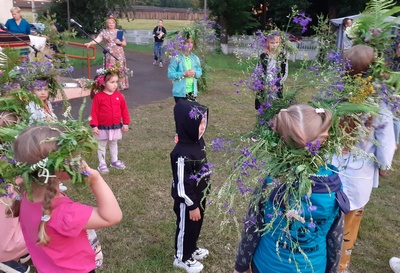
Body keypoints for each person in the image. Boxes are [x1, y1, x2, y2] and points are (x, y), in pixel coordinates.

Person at [233, 105, 349, 273]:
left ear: (280, 142)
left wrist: (240, 266)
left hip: (267, 265)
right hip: (313, 267)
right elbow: (335, 239)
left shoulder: (271, 180)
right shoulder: (333, 186)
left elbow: (252, 228)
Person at [8, 124, 122, 273]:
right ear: (61, 167)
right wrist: (96, 180)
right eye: (73, 155)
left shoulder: (23, 199)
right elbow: (112, 217)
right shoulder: (65, 214)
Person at [330, 44, 396, 273]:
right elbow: (386, 140)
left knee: (328, 221)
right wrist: (384, 166)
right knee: (349, 224)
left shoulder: (335, 94)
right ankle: (341, 266)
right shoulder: (380, 103)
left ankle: (322, 261)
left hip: (332, 171)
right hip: (360, 175)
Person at [171, 100, 211, 273]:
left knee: (196, 225)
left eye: (204, 122)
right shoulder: (181, 154)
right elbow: (181, 184)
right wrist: (192, 205)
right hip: (187, 201)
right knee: (185, 227)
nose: (202, 127)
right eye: (198, 123)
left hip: (199, 197)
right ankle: (181, 257)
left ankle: (192, 248)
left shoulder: (197, 142)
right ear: (187, 125)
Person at [0, 112, 30, 273]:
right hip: (7, 196)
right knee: (8, 222)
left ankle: (18, 251)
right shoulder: (9, 165)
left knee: (20, 218)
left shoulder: (15, 161)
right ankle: (4, 258)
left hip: (13, 192)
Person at [90, 65, 130, 174]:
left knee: (113, 143)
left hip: (115, 126)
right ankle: (102, 163)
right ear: (103, 82)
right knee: (102, 145)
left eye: (116, 82)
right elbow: (94, 112)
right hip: (102, 127)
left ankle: (114, 160)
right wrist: (94, 126)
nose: (115, 84)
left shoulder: (119, 96)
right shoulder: (99, 97)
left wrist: (125, 123)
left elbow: (124, 110)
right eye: (112, 82)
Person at [84, 16, 129, 90]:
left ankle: (120, 84)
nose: (111, 24)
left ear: (115, 24)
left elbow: (124, 43)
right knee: (110, 67)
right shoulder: (104, 32)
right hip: (109, 52)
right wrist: (90, 43)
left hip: (118, 52)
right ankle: (109, 84)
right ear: (107, 24)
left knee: (119, 68)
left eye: (112, 23)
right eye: (109, 23)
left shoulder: (119, 32)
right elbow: (97, 39)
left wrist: (120, 42)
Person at [255, 34, 288, 110]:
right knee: (263, 106)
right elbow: (257, 71)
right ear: (268, 44)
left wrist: (276, 85)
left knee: (275, 108)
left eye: (277, 43)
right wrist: (262, 85)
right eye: (272, 43)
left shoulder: (282, 57)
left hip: (276, 86)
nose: (274, 45)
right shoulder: (263, 56)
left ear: (279, 43)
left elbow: (285, 73)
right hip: (264, 85)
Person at [168, 36, 202, 103]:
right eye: (187, 42)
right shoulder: (176, 58)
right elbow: (170, 74)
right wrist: (183, 74)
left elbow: (199, 71)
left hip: (192, 92)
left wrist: (195, 73)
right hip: (180, 93)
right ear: (182, 43)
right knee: (182, 113)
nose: (189, 45)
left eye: (191, 42)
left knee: (191, 112)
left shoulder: (195, 58)